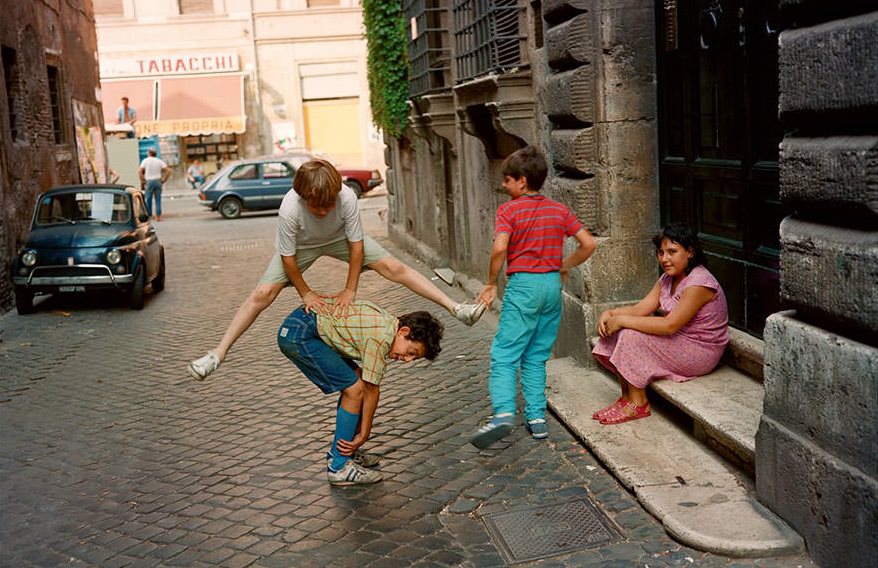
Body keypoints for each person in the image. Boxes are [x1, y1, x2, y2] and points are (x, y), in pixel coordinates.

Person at [188, 158, 485, 380]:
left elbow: (356, 246)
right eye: (316, 207)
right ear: (303, 197)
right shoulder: (290, 208)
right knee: (263, 293)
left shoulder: (346, 197)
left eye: (327, 205)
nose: (322, 211)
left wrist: (349, 289)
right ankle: (218, 353)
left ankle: (456, 307)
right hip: (301, 247)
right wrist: (306, 294)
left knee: (393, 266)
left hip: (341, 240)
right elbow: (288, 258)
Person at [470, 146, 596, 449]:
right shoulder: (559, 210)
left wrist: (490, 283)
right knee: (537, 356)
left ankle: (502, 413)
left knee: (504, 354)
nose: (504, 185)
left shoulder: (509, 211)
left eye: (508, 180)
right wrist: (564, 266)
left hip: (523, 286)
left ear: (522, 181)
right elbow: (588, 244)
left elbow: (500, 249)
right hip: (552, 287)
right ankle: (537, 418)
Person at [277, 299, 444, 485]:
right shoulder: (381, 339)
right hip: (300, 334)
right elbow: (372, 389)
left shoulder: (388, 323)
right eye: (411, 352)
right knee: (355, 390)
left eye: (414, 358)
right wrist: (364, 433)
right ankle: (338, 466)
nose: (407, 360)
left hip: (304, 325)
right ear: (404, 332)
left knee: (356, 380)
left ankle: (348, 451)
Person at [591, 223, 729, 425]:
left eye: (672, 252)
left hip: (700, 351)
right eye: (661, 252)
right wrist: (611, 313)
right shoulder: (667, 278)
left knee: (630, 334)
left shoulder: (699, 283)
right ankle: (627, 398)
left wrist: (621, 321)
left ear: (690, 252)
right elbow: (640, 309)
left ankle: (638, 404)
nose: (664, 259)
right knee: (617, 329)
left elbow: (669, 325)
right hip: (679, 341)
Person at [139, 149, 169, 221]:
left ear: (149, 154)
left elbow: (140, 171)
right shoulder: (159, 161)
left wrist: (142, 180)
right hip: (158, 181)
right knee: (158, 199)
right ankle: (158, 216)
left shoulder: (145, 161)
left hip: (149, 181)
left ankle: (149, 215)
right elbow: (168, 170)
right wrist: (164, 179)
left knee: (148, 199)